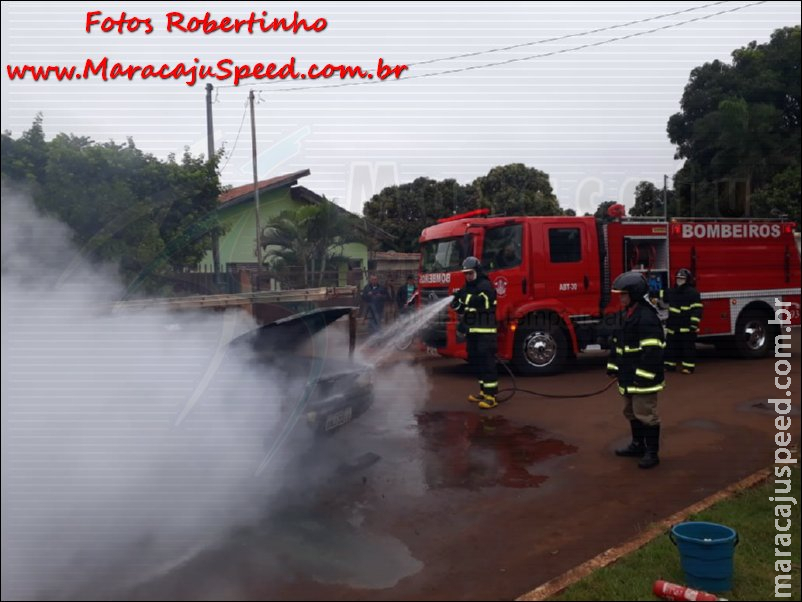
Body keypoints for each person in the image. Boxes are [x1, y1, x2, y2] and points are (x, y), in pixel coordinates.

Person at [607, 271, 665, 469]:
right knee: (630, 412)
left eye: (623, 294)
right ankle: (638, 445)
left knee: (646, 414)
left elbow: (653, 352)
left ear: (635, 294)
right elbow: (617, 343)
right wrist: (613, 366)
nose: (620, 297)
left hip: (642, 379)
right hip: (628, 376)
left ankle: (652, 453)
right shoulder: (626, 315)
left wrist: (643, 377)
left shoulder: (647, 318)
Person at [451, 257, 499, 409]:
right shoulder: (467, 288)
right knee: (476, 362)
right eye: (466, 274)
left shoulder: (486, 285)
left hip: (486, 332)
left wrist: (464, 297)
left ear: (477, 271)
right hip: (472, 332)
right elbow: (462, 309)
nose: (468, 276)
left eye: (470, 273)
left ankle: (491, 396)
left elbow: (484, 302)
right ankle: (483, 392)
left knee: (487, 363)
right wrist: (456, 302)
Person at [661, 268, 703, 374]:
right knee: (670, 347)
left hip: (686, 326)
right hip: (673, 326)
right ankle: (669, 365)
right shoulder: (672, 291)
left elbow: (697, 309)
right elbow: (662, 294)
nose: (679, 280)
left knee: (687, 348)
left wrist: (694, 324)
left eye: (682, 278)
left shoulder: (693, 293)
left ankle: (688, 367)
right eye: (678, 278)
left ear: (687, 280)